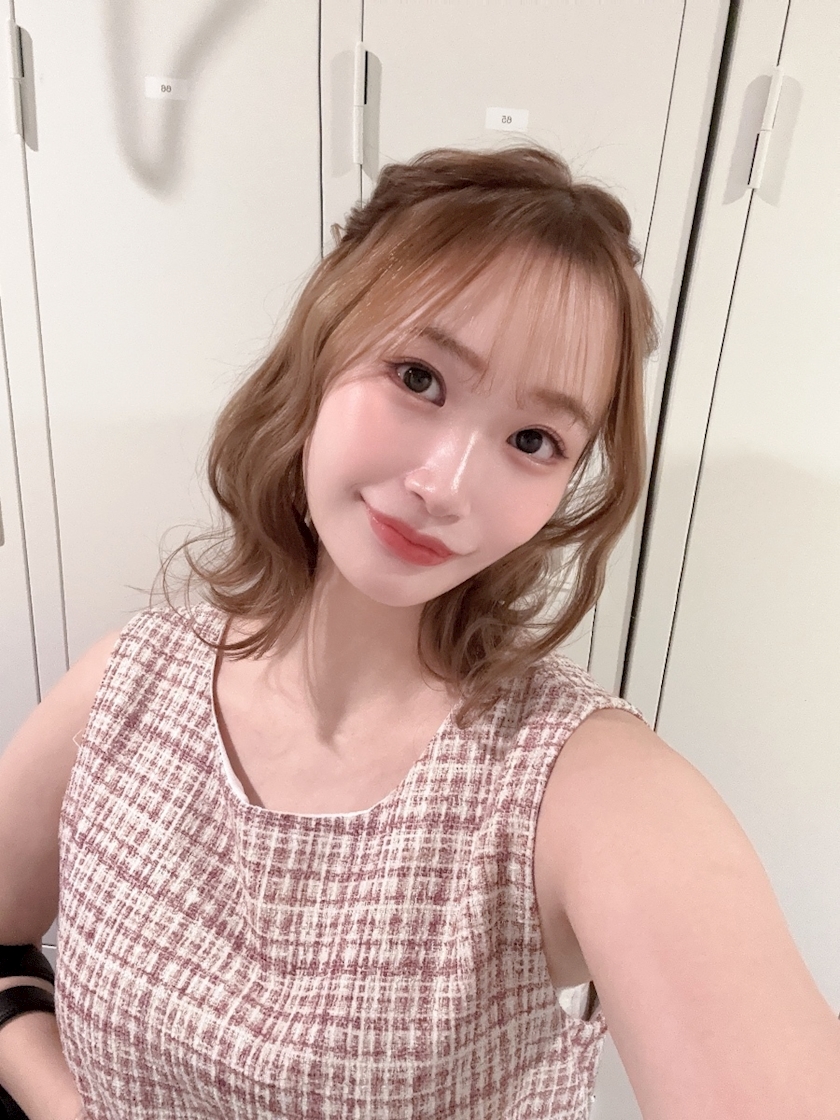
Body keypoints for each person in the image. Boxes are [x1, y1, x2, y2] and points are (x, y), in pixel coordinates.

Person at [1, 144, 839, 1120]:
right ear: (323, 350)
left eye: (533, 440)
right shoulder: (130, 689)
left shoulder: (573, 783)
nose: (446, 485)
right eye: (419, 377)